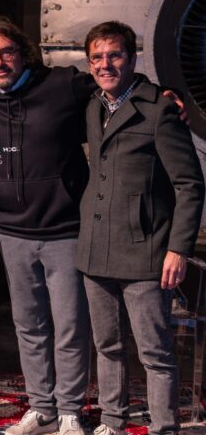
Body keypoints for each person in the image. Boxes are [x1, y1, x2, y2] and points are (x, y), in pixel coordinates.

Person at [77, 21, 204, 435]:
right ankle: (112, 421)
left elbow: (190, 185)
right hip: (96, 249)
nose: (105, 64)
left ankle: (164, 428)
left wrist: (178, 249)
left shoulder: (160, 109)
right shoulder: (94, 106)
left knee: (155, 353)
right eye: (97, 57)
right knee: (107, 346)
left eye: (114, 55)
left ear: (131, 59)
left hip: (146, 251)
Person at [0, 17, 94, 435]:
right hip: (12, 232)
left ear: (23, 53)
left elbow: (115, 84)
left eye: (6, 51)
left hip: (65, 229)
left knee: (70, 325)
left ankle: (70, 409)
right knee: (29, 326)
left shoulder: (62, 85)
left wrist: (161, 95)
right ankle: (42, 408)